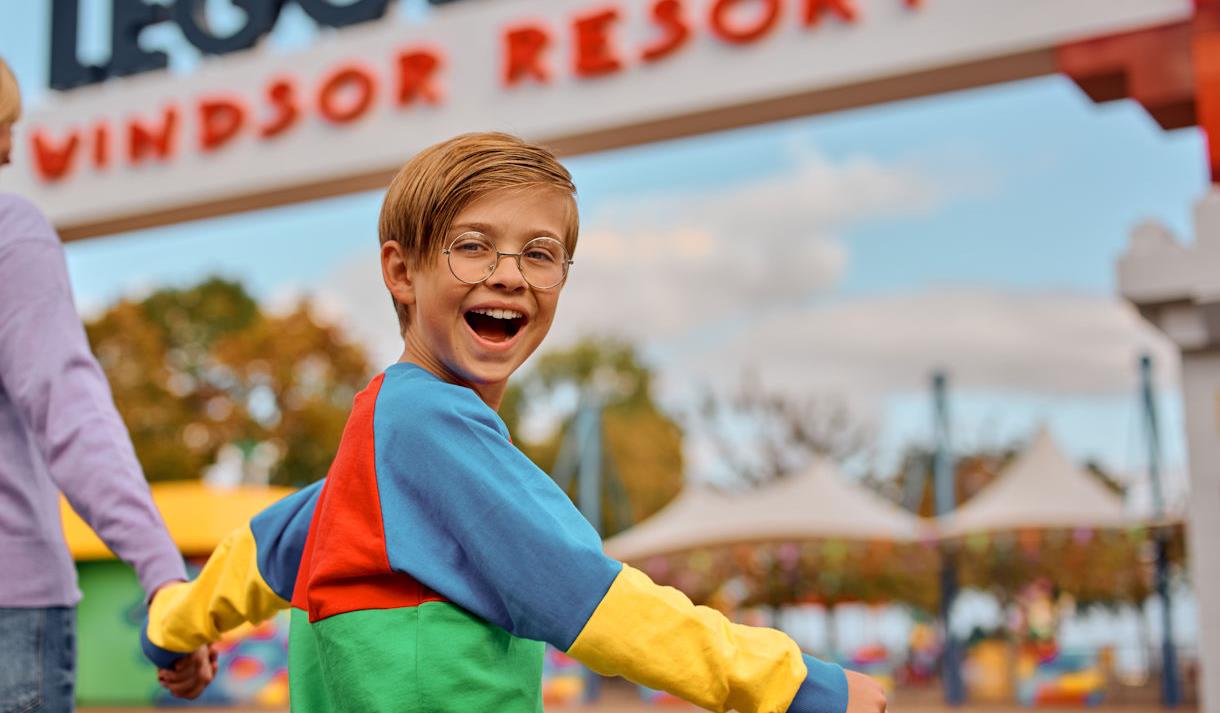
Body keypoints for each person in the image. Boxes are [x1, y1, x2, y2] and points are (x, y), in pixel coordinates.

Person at [143, 132, 889, 713]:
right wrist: (792, 684)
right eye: (472, 245)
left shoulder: (375, 456)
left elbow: (257, 552)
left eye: (542, 253)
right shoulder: (428, 424)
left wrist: (172, 629)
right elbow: (581, 593)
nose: (509, 272)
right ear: (402, 271)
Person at [0, 56, 214, 709]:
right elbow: (70, 410)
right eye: (2, 127)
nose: (10, 153)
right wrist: (163, 575)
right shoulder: (10, 233)